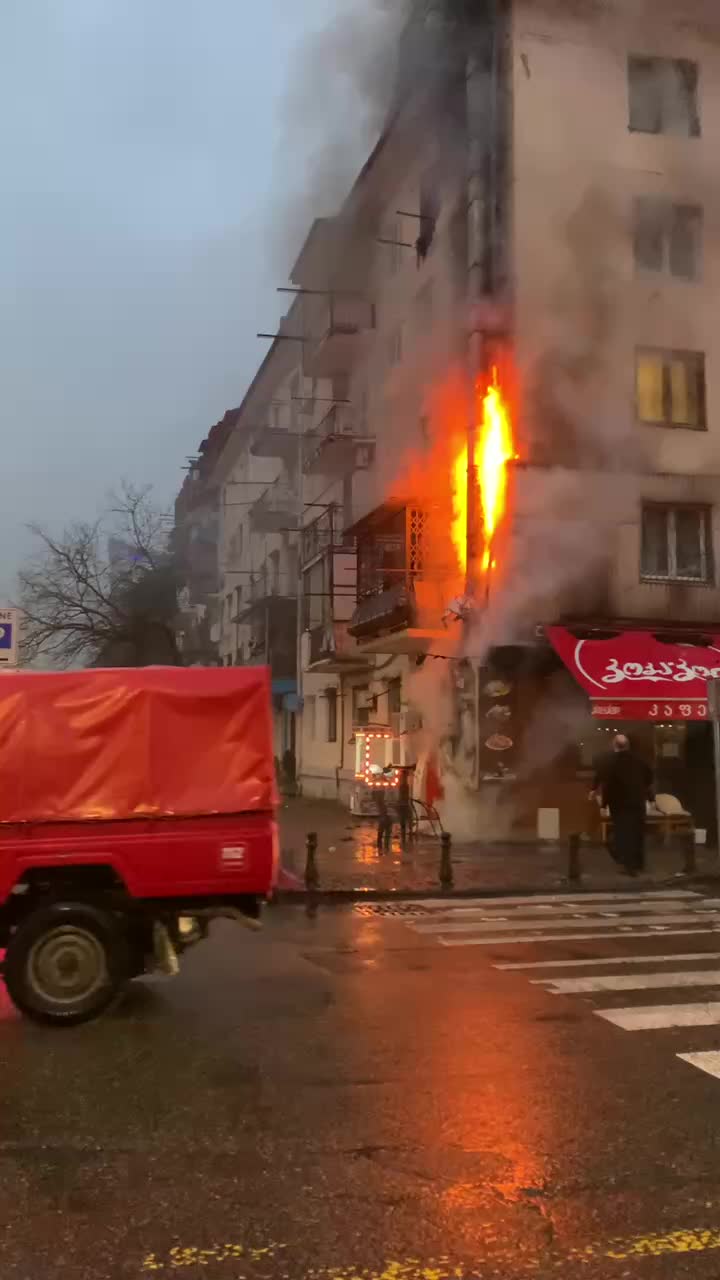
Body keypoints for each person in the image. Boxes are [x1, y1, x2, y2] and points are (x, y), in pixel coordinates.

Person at [592, 734, 654, 875]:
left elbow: (608, 785)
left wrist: (603, 805)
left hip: (619, 803)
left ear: (615, 746)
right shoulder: (640, 760)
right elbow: (648, 779)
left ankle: (629, 866)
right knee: (637, 832)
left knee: (623, 834)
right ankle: (639, 863)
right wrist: (649, 798)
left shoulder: (611, 762)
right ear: (628, 746)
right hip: (638, 801)